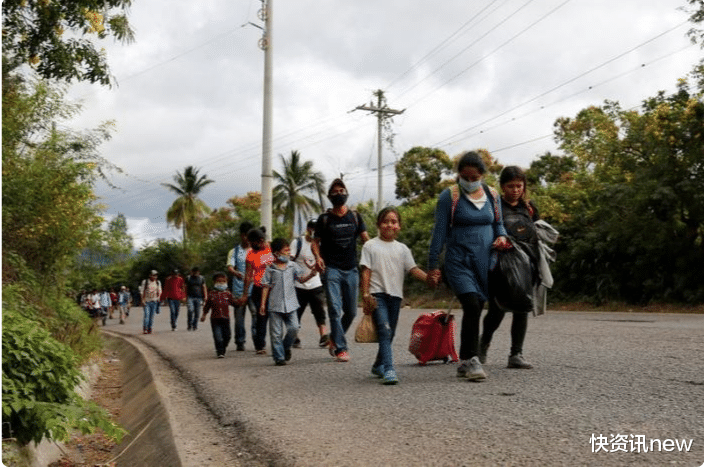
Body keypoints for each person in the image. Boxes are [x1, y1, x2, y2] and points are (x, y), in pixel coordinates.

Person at [427, 151, 511, 381]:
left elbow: (499, 223)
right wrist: (433, 265)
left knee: (477, 306)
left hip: (484, 261)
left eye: (475, 177)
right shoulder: (449, 196)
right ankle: (471, 359)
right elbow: (439, 232)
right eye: (465, 177)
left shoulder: (492, 195)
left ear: (483, 175)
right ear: (459, 175)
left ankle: (465, 360)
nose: (470, 181)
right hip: (458, 260)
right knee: (472, 304)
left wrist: (502, 237)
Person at [479, 166, 540, 370]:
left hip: (526, 265)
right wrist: (497, 241)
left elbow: (538, 232)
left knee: (522, 306)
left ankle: (516, 354)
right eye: (511, 186)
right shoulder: (493, 207)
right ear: (502, 187)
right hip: (501, 265)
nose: (515, 190)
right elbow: (485, 232)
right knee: (498, 308)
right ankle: (483, 344)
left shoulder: (529, 208)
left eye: (519, 186)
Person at [360, 207, 429, 385]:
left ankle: (377, 365)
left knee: (390, 334)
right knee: (385, 330)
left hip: (395, 296)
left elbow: (413, 269)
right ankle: (389, 369)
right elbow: (366, 271)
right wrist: (365, 294)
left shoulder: (403, 249)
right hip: (377, 296)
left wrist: (429, 279)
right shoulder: (370, 246)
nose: (390, 225)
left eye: (394, 222)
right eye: (386, 221)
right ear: (378, 225)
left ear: (399, 226)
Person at [312, 178, 370, 362]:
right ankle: (341, 349)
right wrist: (318, 257)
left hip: (351, 269)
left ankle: (335, 339)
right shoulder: (325, 219)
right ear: (330, 196)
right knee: (335, 311)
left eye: (342, 190)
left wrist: (376, 255)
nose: (339, 194)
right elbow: (315, 242)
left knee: (351, 311)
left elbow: (365, 240)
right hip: (332, 270)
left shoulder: (355, 216)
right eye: (335, 192)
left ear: (346, 194)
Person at [261, 238, 318, 365]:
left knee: (294, 327)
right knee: (276, 333)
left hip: (291, 304)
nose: (287, 253)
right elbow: (265, 286)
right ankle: (279, 357)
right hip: (275, 305)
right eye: (285, 251)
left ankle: (285, 347)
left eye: (288, 251)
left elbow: (301, 279)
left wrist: (311, 274)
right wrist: (263, 304)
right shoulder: (270, 268)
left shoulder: (293, 266)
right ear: (276, 253)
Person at [290, 219, 329, 349]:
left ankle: (323, 336)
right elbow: (290, 262)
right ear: (307, 228)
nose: (312, 231)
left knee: (319, 311)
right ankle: (294, 336)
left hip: (315, 284)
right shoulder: (297, 243)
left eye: (315, 228)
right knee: (297, 312)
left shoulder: (321, 245)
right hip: (299, 285)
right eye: (311, 228)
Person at [237, 227, 274, 354]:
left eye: (253, 243)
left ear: (261, 240)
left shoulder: (271, 250)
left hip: (274, 289)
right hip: (258, 289)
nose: (251, 245)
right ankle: (260, 345)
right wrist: (245, 294)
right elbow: (248, 275)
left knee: (276, 316)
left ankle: (281, 342)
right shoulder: (250, 254)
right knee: (261, 317)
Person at [227, 221, 256, 350]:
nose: (247, 239)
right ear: (242, 236)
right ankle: (240, 341)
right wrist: (235, 272)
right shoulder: (234, 251)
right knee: (239, 318)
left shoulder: (256, 251)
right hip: (239, 289)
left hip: (255, 288)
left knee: (256, 315)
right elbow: (230, 266)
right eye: (245, 236)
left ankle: (257, 340)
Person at [200, 272, 238, 358]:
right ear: (214, 282)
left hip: (225, 318)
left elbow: (235, 303)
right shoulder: (212, 294)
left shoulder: (228, 294)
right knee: (218, 336)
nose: (221, 283)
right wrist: (204, 315)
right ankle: (220, 351)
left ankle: (223, 347)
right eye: (219, 281)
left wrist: (241, 300)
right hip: (215, 319)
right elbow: (207, 306)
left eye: (223, 282)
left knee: (227, 336)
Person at [186, 267, 208, 331]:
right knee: (190, 310)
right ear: (192, 272)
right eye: (194, 271)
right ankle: (189, 324)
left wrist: (205, 296)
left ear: (199, 272)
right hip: (190, 297)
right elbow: (185, 287)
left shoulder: (201, 278)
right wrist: (184, 296)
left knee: (197, 312)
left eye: (197, 272)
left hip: (199, 297)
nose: (195, 273)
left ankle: (195, 325)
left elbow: (204, 287)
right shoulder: (188, 278)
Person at [140, 270, 162, 334]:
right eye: (153, 275)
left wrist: (158, 297)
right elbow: (142, 291)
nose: (154, 277)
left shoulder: (158, 282)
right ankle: (145, 329)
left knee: (152, 316)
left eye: (155, 275)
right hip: (146, 301)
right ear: (150, 275)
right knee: (147, 315)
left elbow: (160, 291)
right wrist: (142, 299)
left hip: (154, 301)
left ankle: (150, 328)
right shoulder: (145, 282)